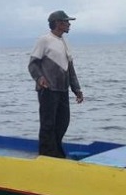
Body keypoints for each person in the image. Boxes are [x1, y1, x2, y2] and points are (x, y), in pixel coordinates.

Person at [28, 10, 84, 158]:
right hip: (48, 89)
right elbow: (33, 64)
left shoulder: (64, 42)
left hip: (62, 89)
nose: (69, 24)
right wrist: (39, 78)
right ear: (58, 23)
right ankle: (46, 153)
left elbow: (70, 69)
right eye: (66, 21)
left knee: (63, 122)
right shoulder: (44, 40)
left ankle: (56, 151)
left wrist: (77, 89)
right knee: (48, 124)